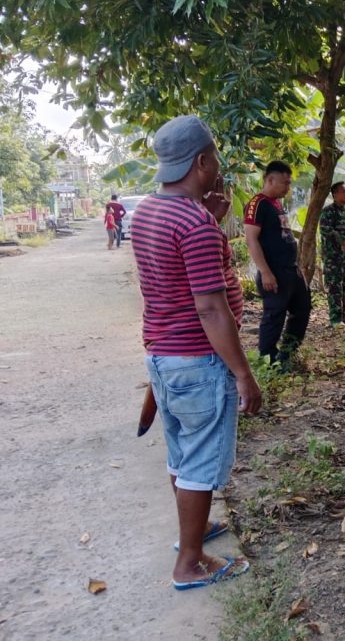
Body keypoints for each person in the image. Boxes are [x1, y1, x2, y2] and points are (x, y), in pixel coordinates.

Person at [130, 115, 260, 590]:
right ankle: (189, 562)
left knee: (182, 452)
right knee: (202, 461)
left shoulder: (148, 211)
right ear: (202, 162)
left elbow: (178, 273)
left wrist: (210, 217)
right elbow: (210, 308)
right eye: (216, 158)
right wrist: (243, 373)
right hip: (197, 363)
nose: (219, 165)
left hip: (163, 358)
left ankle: (196, 529)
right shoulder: (196, 225)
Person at [244, 160, 311, 367]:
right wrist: (265, 272)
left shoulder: (276, 203)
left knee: (303, 308)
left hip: (290, 270)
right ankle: (268, 359)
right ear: (270, 179)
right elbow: (251, 239)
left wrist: (297, 266)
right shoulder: (257, 204)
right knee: (274, 316)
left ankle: (288, 353)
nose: (288, 187)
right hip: (274, 272)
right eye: (285, 183)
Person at [319, 181, 345, 326]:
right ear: (335, 195)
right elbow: (326, 230)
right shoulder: (328, 211)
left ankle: (343, 316)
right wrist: (341, 241)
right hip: (332, 257)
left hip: (344, 257)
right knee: (335, 287)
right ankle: (335, 319)